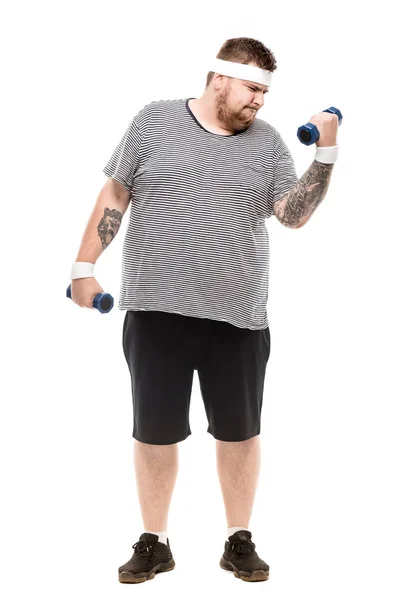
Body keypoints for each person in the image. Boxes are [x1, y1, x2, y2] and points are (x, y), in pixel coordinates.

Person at [70, 37, 338, 584]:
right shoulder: (155, 120)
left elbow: (291, 215)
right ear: (220, 78)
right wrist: (82, 268)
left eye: (266, 91)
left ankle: (238, 540)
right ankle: (155, 541)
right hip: (155, 310)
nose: (260, 101)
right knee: (154, 432)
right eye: (252, 88)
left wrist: (325, 155)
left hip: (238, 318)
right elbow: (116, 192)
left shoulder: (266, 145)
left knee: (239, 433)